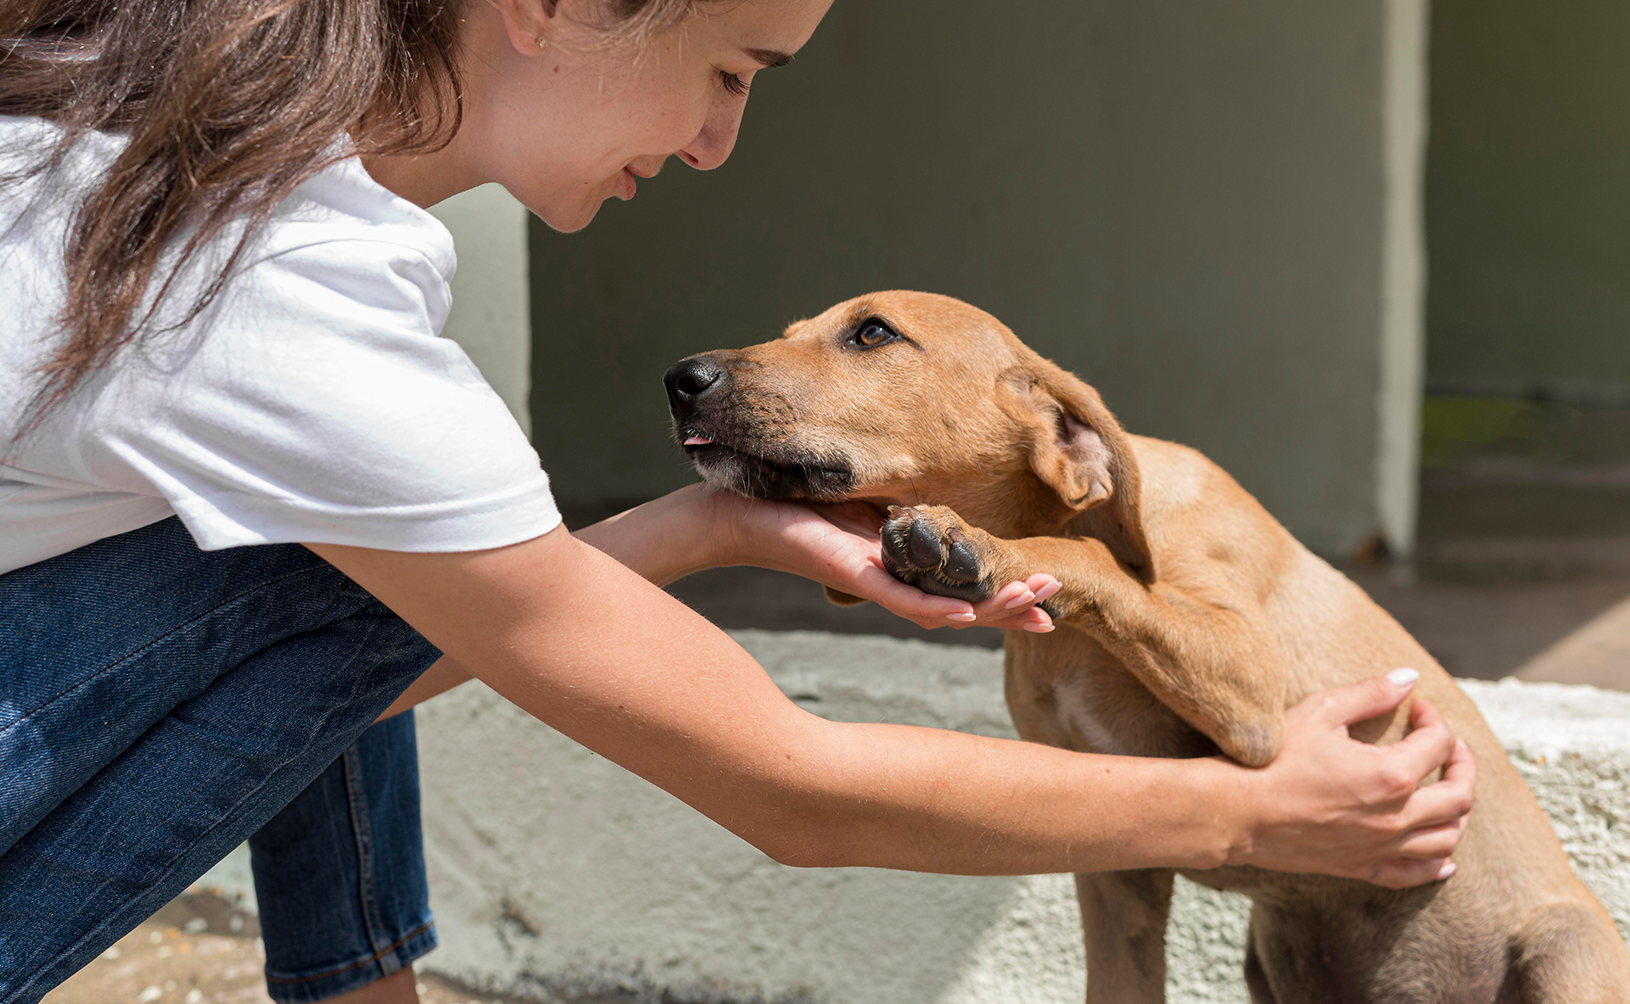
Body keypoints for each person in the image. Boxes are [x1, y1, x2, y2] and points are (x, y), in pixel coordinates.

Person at [0, 1, 1475, 1002]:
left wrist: (712, 524)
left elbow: (417, 629)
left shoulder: (147, 137)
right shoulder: (271, 294)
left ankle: (363, 986)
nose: (718, 144)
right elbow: (786, 784)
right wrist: (1253, 813)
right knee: (359, 548)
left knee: (382, 543)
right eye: (732, 69)